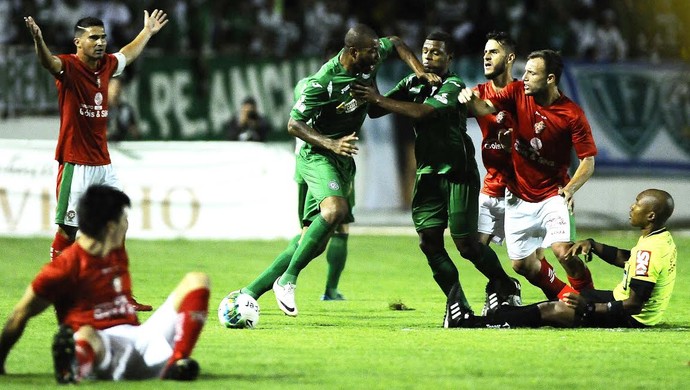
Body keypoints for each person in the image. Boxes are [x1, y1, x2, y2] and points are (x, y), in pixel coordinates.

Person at [269, 24, 442, 317]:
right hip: (317, 156)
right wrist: (331, 143)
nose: (377, 56)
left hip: (342, 160)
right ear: (353, 52)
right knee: (326, 222)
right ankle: (287, 280)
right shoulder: (322, 82)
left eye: (376, 50)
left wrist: (419, 71)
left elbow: (397, 42)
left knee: (322, 235)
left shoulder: (369, 56)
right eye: (371, 52)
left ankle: (255, 292)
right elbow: (293, 124)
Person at [351, 31, 520, 319]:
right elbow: (376, 112)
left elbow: (424, 114)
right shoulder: (413, 83)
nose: (429, 56)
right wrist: (372, 74)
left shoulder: (453, 85)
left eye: (437, 52)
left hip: (458, 172)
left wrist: (378, 98)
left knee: (466, 245)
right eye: (426, 50)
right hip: (428, 172)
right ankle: (457, 303)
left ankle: (505, 285)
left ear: (449, 58)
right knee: (428, 242)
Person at [25, 10, 168, 310]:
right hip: (75, 164)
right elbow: (47, 62)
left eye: (103, 37)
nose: (101, 42)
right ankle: (57, 288)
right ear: (78, 42)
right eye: (94, 38)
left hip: (103, 164)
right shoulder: (68, 66)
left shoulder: (105, 66)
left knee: (120, 222)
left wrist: (147, 33)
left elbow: (127, 54)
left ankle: (120, 294)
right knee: (68, 231)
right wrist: (39, 41)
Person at [0, 185, 210, 382]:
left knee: (197, 281)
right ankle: (74, 366)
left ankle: (176, 364)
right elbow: (20, 313)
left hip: (138, 338)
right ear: (110, 227)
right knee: (86, 333)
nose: (126, 223)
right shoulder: (64, 268)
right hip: (100, 349)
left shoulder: (114, 249)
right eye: (123, 218)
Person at [458, 49, 598, 309]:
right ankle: (568, 297)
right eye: (524, 72)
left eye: (532, 73)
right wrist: (469, 98)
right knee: (522, 264)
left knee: (563, 252)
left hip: (552, 195)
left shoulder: (572, 114)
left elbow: (588, 160)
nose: (523, 78)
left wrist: (569, 189)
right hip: (518, 196)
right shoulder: (516, 93)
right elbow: (484, 106)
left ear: (550, 79)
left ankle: (590, 300)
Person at [445, 189, 676, 329]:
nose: (631, 207)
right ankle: (505, 312)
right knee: (569, 297)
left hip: (632, 318)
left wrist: (592, 308)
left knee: (552, 310)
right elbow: (628, 258)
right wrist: (594, 245)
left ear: (651, 215)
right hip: (624, 301)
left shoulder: (650, 250)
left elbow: (635, 304)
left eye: (637, 204)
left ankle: (475, 322)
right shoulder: (660, 240)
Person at [239, 79, 350, 302]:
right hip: (323, 167)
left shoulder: (311, 88)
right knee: (325, 233)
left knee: (312, 239)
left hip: (310, 168)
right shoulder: (319, 89)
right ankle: (264, 287)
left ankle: (251, 292)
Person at [107, 76, 141, 141]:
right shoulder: (98, 108)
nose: (116, 90)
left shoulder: (126, 110)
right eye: (113, 87)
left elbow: (135, 132)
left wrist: (133, 131)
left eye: (118, 87)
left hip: (121, 146)